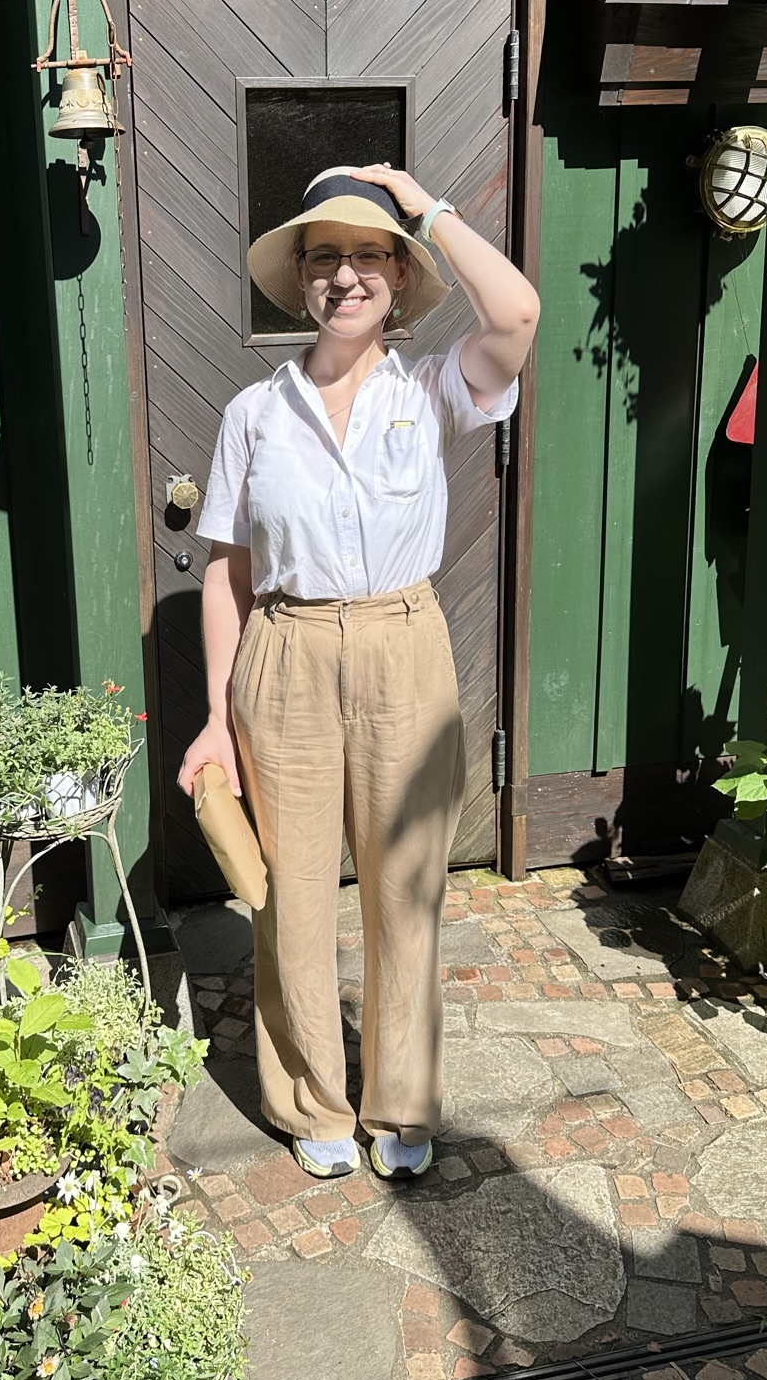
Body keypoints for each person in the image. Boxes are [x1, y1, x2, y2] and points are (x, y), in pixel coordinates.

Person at [178, 162, 541, 1180]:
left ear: (400, 275)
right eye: (324, 256)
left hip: (403, 642)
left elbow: (517, 308)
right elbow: (226, 573)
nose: (346, 275)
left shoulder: (433, 390)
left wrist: (425, 206)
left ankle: (401, 1101)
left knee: (407, 888)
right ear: (300, 280)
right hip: (284, 651)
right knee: (289, 894)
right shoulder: (254, 411)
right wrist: (215, 717)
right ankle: (312, 1102)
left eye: (369, 254)